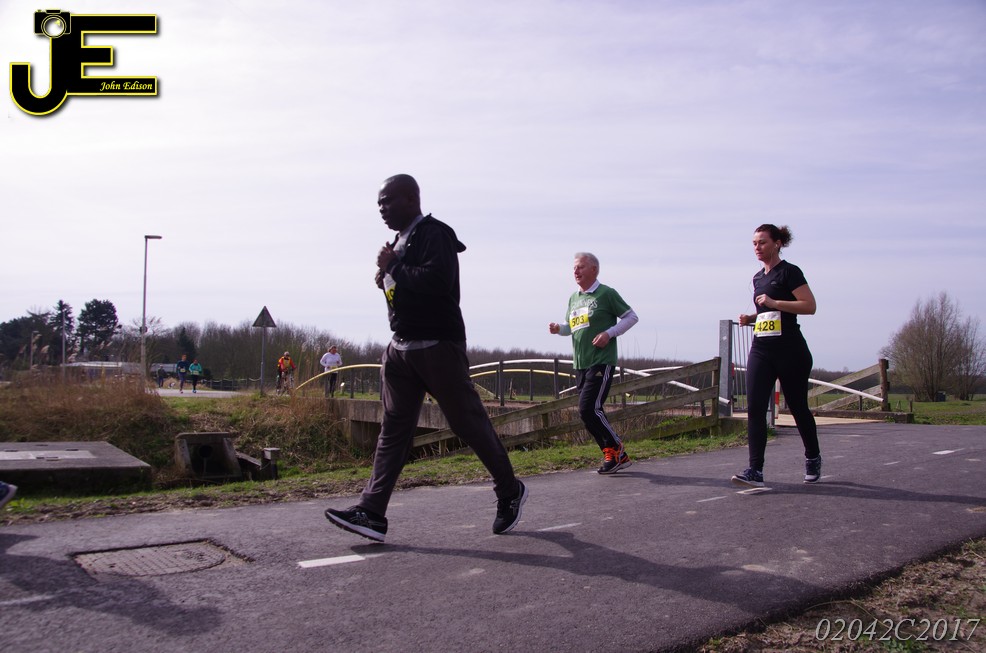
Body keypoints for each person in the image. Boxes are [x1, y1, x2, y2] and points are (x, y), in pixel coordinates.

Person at [325, 174, 527, 542]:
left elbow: (437, 281)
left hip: (438, 346)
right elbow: (404, 292)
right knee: (393, 431)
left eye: (387, 201)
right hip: (401, 348)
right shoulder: (397, 243)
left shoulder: (435, 234)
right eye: (379, 204)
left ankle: (509, 489)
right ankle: (372, 512)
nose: (382, 209)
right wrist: (387, 281)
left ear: (410, 199)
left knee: (468, 424)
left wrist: (394, 268)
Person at [731, 224, 821, 488]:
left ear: (777, 244)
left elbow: (809, 306)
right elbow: (768, 315)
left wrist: (774, 303)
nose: (757, 248)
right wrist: (751, 318)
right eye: (754, 243)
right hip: (762, 349)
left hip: (790, 350)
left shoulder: (790, 272)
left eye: (762, 242)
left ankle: (812, 457)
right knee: (755, 408)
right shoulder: (758, 278)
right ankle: (755, 471)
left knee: (798, 407)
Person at [548, 252, 639, 474]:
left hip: (601, 361)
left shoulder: (606, 294)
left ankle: (617, 450)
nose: (575, 271)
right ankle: (612, 454)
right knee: (587, 413)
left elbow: (631, 317)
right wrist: (559, 329)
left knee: (588, 408)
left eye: (580, 267)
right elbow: (571, 327)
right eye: (574, 268)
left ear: (594, 269)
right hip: (581, 363)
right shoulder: (574, 298)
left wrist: (609, 333)